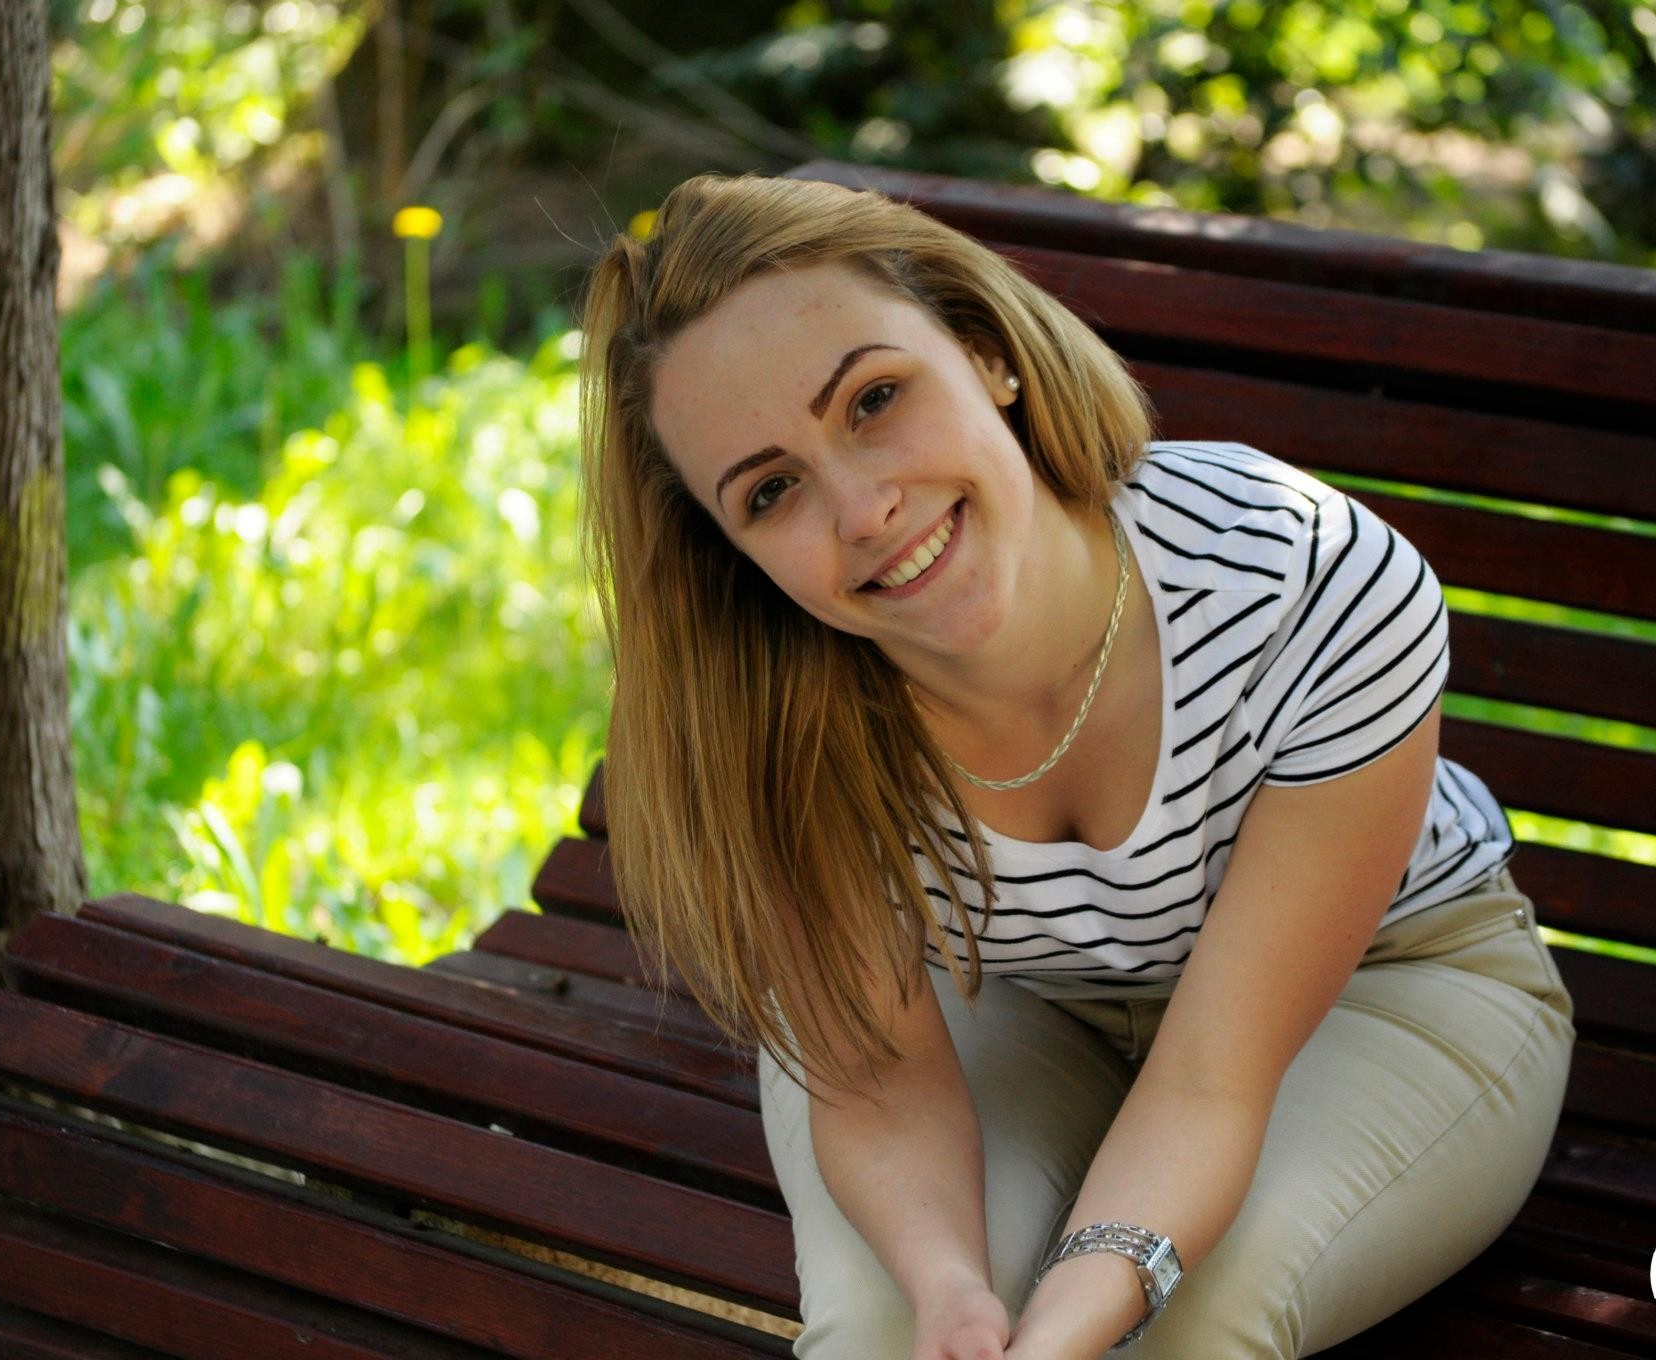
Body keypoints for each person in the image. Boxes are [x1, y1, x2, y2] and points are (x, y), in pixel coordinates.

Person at [575, 171, 1575, 1360]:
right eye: (771, 489)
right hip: (1014, 998)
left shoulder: (1300, 581)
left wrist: (1062, 1328)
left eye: (874, 399)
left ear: (987, 354)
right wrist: (949, 1294)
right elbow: (874, 1082)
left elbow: (1209, 1079)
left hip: (1388, 986)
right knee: (887, 1335)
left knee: (1186, 1326)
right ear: (728, 550)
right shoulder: (762, 709)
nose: (862, 508)